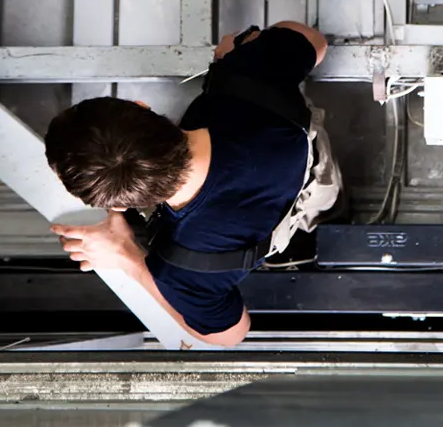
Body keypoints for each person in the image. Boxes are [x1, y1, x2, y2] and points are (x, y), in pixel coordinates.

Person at [43, 20, 337, 347]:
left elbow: (231, 334)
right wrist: (245, 53)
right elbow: (315, 42)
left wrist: (127, 255)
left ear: (121, 205)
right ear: (141, 107)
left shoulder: (186, 266)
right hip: (312, 166)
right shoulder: (245, 76)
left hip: (290, 212)